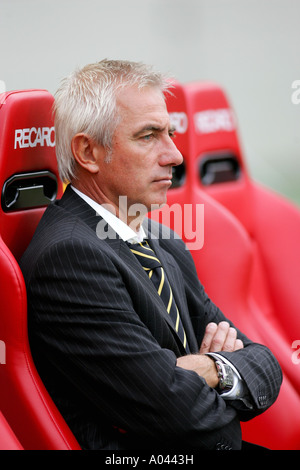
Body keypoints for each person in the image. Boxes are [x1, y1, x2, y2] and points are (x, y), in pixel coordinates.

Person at [20, 59, 282, 451]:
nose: (175, 155)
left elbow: (266, 363)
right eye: (148, 136)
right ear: (88, 151)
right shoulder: (70, 258)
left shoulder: (162, 239)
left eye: (171, 134)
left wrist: (210, 370)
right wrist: (216, 376)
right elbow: (177, 413)